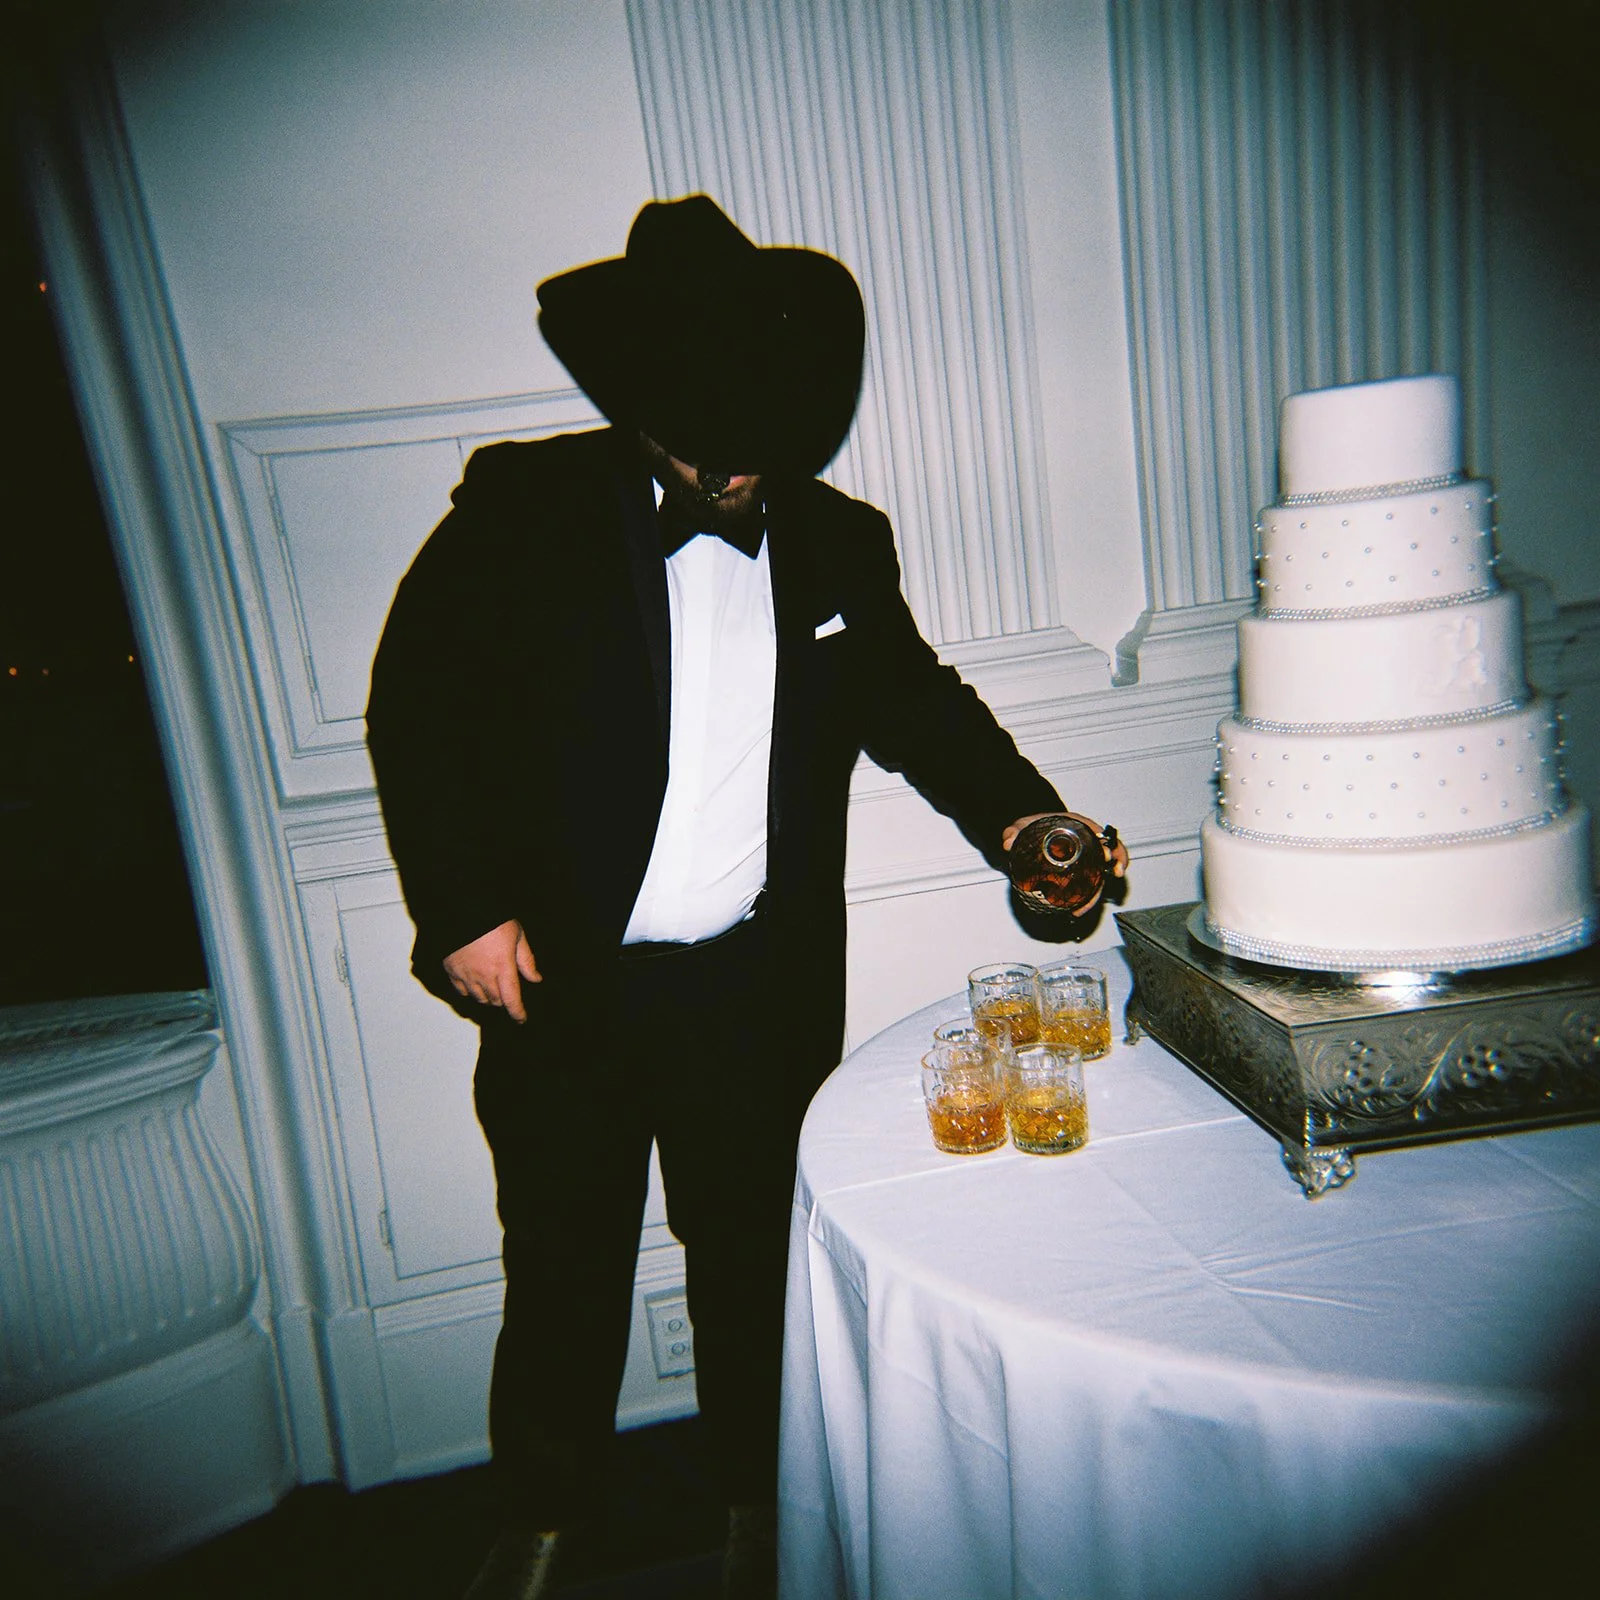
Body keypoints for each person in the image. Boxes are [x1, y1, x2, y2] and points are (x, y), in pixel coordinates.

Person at [366, 195, 1125, 1600]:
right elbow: (420, 710)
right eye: (720, 457)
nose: (747, 487)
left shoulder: (838, 539)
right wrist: (462, 909)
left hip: (751, 986)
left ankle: (756, 1516)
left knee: (754, 1269)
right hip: (561, 979)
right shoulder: (522, 509)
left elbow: (919, 705)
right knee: (565, 1267)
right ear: (652, 411)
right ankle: (540, 1526)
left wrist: (1027, 818)